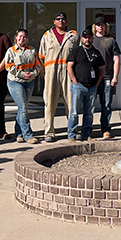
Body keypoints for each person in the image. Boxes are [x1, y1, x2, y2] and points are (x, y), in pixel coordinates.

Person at [38, 12, 79, 142]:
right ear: (54, 21)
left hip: (68, 71)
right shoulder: (47, 36)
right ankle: (49, 132)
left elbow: (78, 54)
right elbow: (41, 57)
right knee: (50, 102)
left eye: (63, 19)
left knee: (71, 102)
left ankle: (72, 130)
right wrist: (43, 73)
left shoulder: (73, 35)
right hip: (52, 72)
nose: (61, 21)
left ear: (66, 21)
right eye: (58, 19)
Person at [0, 28, 42, 144]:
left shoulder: (32, 50)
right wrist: (22, 74)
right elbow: (9, 67)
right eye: (20, 36)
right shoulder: (11, 51)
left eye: (24, 37)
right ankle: (28, 135)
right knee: (23, 108)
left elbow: (38, 65)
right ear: (16, 38)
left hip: (29, 82)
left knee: (23, 108)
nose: (22, 38)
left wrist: (32, 74)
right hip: (15, 81)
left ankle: (19, 133)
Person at [67, 28, 105, 141]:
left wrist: (96, 84)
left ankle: (86, 134)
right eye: (85, 37)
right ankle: (71, 135)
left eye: (89, 37)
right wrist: (75, 81)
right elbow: (69, 67)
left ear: (92, 38)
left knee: (89, 112)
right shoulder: (76, 51)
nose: (87, 39)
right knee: (74, 112)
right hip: (78, 86)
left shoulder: (96, 52)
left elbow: (101, 69)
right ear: (82, 39)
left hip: (92, 87)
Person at [92, 16, 121, 139]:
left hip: (107, 77)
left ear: (106, 26)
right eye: (98, 24)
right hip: (91, 78)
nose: (100, 27)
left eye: (102, 24)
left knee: (106, 105)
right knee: (90, 105)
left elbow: (116, 59)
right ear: (95, 27)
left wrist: (115, 77)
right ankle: (88, 130)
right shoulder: (90, 39)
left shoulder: (111, 41)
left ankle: (105, 129)